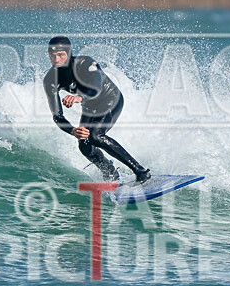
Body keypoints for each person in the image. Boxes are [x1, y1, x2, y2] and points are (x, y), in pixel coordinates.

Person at [43, 36, 150, 183]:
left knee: (96, 136)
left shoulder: (86, 63)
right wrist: (73, 131)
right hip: (90, 106)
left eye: (61, 55)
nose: (56, 59)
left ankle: (140, 171)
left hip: (110, 99)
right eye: (52, 55)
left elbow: (96, 90)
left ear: (69, 53)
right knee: (84, 144)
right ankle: (111, 174)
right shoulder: (50, 79)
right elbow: (57, 116)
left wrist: (77, 98)